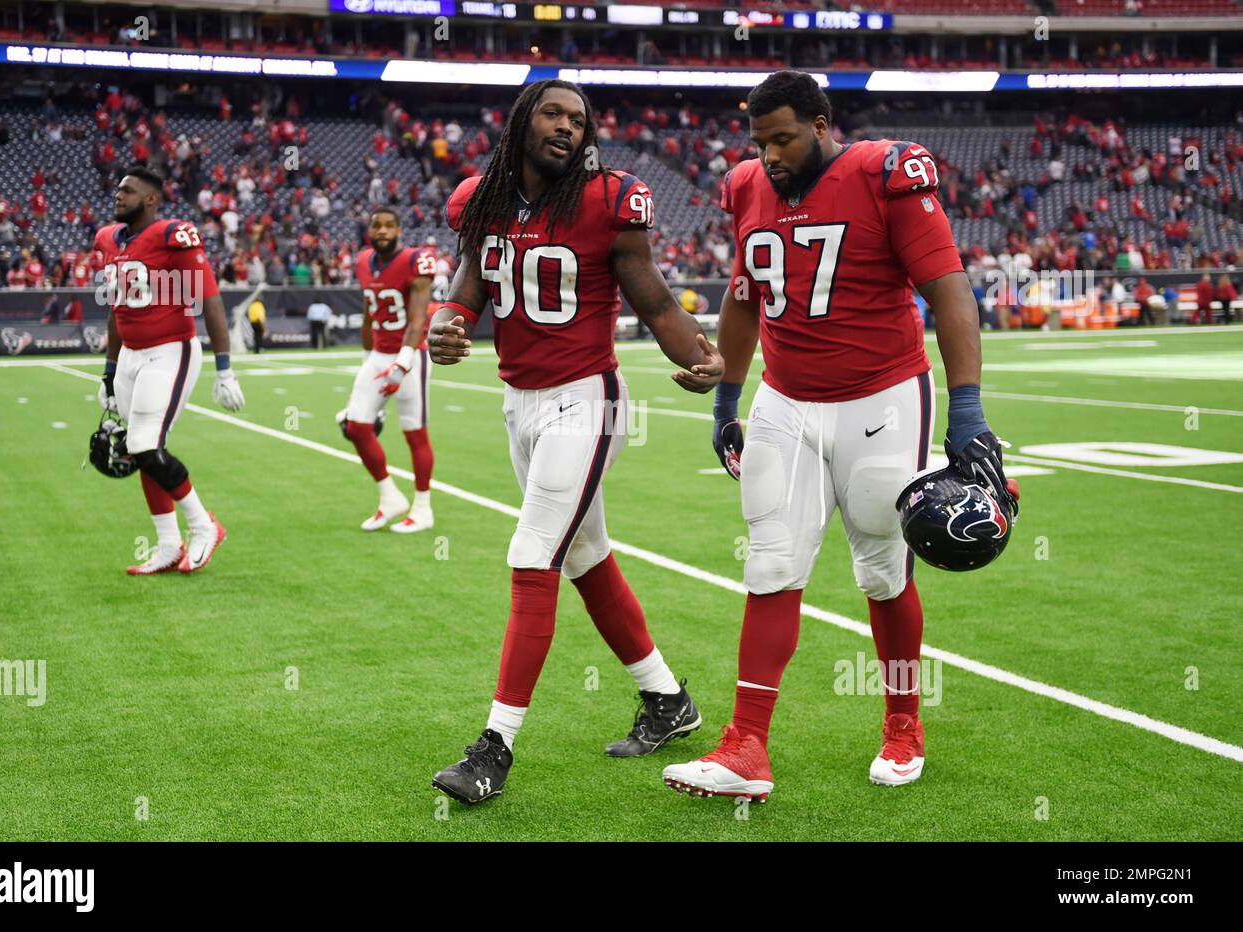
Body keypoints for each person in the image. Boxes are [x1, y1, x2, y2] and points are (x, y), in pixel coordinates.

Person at [662, 72, 1013, 801]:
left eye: (784, 137)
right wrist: (727, 394)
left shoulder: (884, 173)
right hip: (785, 400)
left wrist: (968, 408)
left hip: (880, 398)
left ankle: (903, 720)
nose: (771, 155)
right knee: (771, 561)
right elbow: (743, 295)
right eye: (759, 142)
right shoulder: (748, 187)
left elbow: (948, 287)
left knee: (883, 571)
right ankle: (746, 748)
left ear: (824, 124)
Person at [425, 79, 724, 805]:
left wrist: (701, 355)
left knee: (533, 556)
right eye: (553, 113)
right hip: (519, 402)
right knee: (585, 555)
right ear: (522, 122)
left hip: (585, 403)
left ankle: (494, 747)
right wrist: (445, 322)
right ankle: (666, 700)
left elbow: (651, 296)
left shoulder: (608, 200)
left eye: (579, 119)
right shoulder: (481, 201)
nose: (567, 127)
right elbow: (472, 283)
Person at [94, 166, 245, 575]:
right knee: (142, 449)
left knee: (144, 445)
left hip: (169, 351)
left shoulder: (172, 234)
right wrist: (108, 371)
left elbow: (209, 298)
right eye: (118, 187)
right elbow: (115, 307)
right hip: (130, 355)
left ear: (151, 199)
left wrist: (224, 369)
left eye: (128, 190)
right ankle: (167, 545)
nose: (118, 195)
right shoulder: (107, 238)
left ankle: (203, 527)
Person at [341, 208, 437, 533]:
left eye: (388, 226)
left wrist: (402, 364)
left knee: (414, 433)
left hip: (410, 357)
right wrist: (367, 357)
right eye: (376, 225)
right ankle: (389, 497)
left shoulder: (416, 260)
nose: (382, 230)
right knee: (356, 427)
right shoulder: (363, 261)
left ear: (398, 230)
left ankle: (423, 508)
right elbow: (369, 313)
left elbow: (418, 319)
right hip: (378, 355)